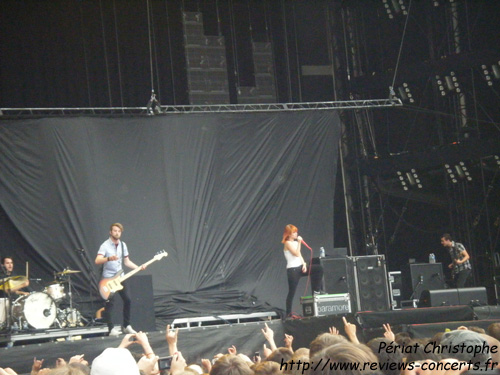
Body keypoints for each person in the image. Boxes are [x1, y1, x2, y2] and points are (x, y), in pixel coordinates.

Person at [95, 223, 145, 336]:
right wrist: (108, 258)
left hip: (120, 277)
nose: (117, 233)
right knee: (110, 303)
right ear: (110, 232)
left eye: (119, 231)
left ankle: (127, 325)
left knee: (128, 299)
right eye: (115, 231)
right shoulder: (105, 245)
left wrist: (138, 268)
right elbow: (97, 260)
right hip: (108, 278)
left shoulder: (123, 245)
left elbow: (127, 261)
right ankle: (111, 328)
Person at [282, 224, 323, 318]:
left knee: (318, 269)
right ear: (289, 234)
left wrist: (304, 264)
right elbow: (296, 253)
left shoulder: (296, 243)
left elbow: (299, 255)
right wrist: (299, 242)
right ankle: (288, 313)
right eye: (294, 232)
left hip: (300, 267)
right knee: (292, 292)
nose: (296, 234)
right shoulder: (287, 243)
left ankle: (316, 291)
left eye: (296, 232)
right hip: (293, 270)